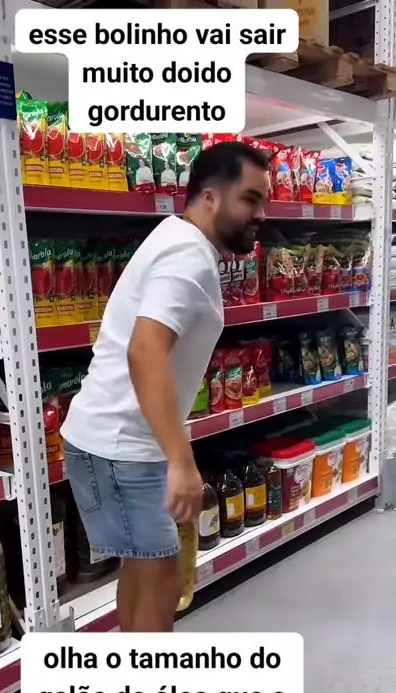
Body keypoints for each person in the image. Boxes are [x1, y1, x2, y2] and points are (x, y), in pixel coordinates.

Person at [61, 141, 269, 632]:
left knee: (145, 571)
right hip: (121, 447)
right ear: (211, 198)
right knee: (162, 581)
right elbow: (145, 350)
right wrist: (181, 460)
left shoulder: (179, 240)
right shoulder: (187, 257)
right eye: (250, 199)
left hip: (116, 442)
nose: (261, 213)